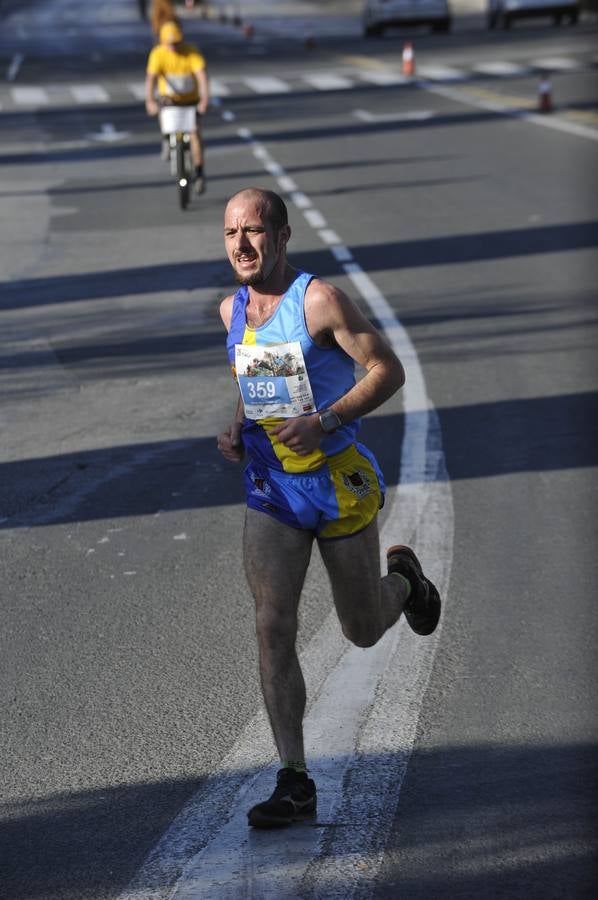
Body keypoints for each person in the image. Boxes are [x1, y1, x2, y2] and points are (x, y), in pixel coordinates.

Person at [217, 188, 441, 829]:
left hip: (336, 481)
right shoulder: (230, 310)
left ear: (283, 238)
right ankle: (294, 779)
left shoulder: (319, 300)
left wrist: (325, 420)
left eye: (255, 232)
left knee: (362, 628)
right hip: (272, 488)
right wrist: (237, 428)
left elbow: (386, 369)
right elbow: (252, 382)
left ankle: (406, 581)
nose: (242, 245)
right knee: (271, 622)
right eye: (232, 233)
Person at [145, 20, 209, 193]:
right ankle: (166, 139)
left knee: (195, 134)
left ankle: (199, 173)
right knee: (161, 110)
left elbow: (201, 76)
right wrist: (150, 101)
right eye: (169, 44)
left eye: (176, 43)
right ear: (162, 42)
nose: (173, 47)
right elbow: (151, 79)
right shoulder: (157, 54)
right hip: (169, 100)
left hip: (190, 101)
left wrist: (204, 100)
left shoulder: (191, 52)